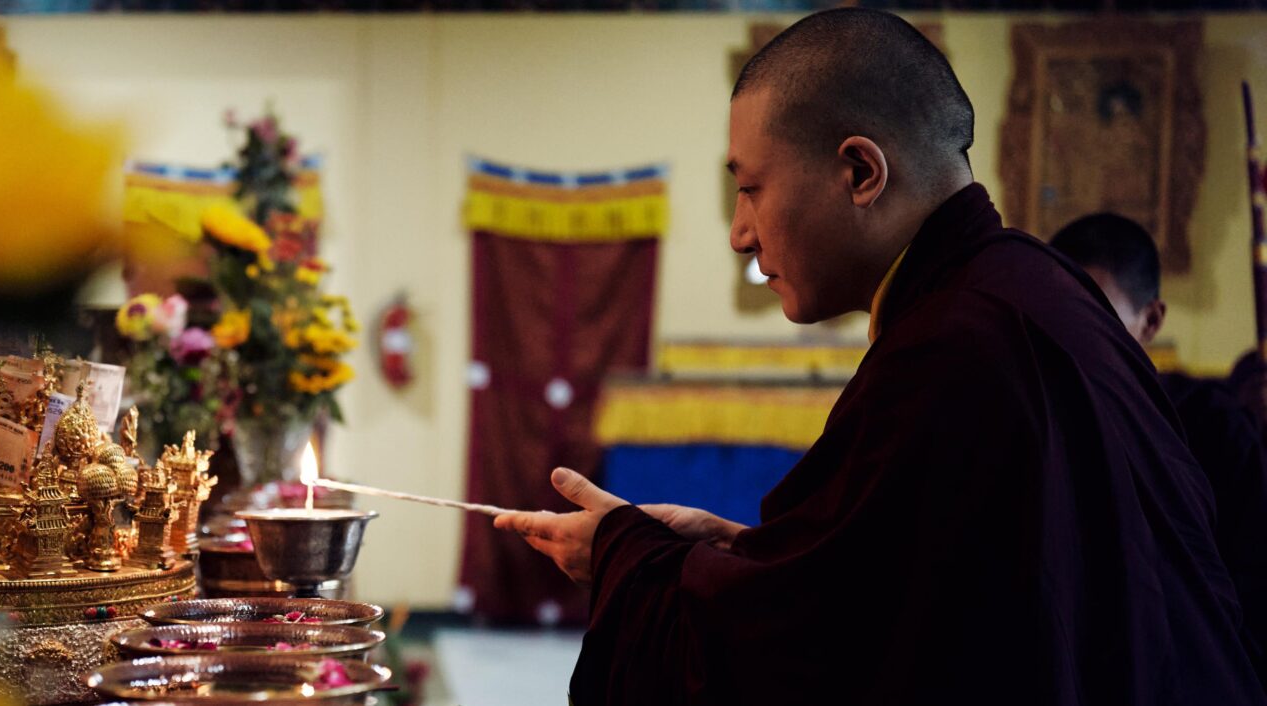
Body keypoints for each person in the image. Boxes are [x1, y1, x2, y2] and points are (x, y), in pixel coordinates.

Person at [495, 8, 1265, 704]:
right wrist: (737, 547)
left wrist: (626, 559)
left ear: (860, 172)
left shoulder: (957, 347)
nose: (739, 232)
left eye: (752, 188)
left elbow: (816, 657)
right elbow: (921, 589)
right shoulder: (1027, 286)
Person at [1048, 212, 1267, 659]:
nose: (1071, 340)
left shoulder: (1213, 429)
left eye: (1098, 320)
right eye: (1057, 316)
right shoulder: (1037, 415)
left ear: (1151, 321)